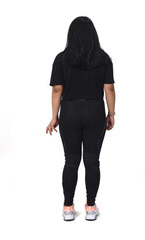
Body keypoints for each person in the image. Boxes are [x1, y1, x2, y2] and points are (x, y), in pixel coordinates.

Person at [46, 16, 116, 221]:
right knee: (92, 161)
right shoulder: (103, 58)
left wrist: (54, 116)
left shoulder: (61, 58)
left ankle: (68, 207)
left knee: (71, 161)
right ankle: (91, 207)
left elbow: (57, 89)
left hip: (69, 112)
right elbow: (109, 88)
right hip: (95, 111)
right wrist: (111, 114)